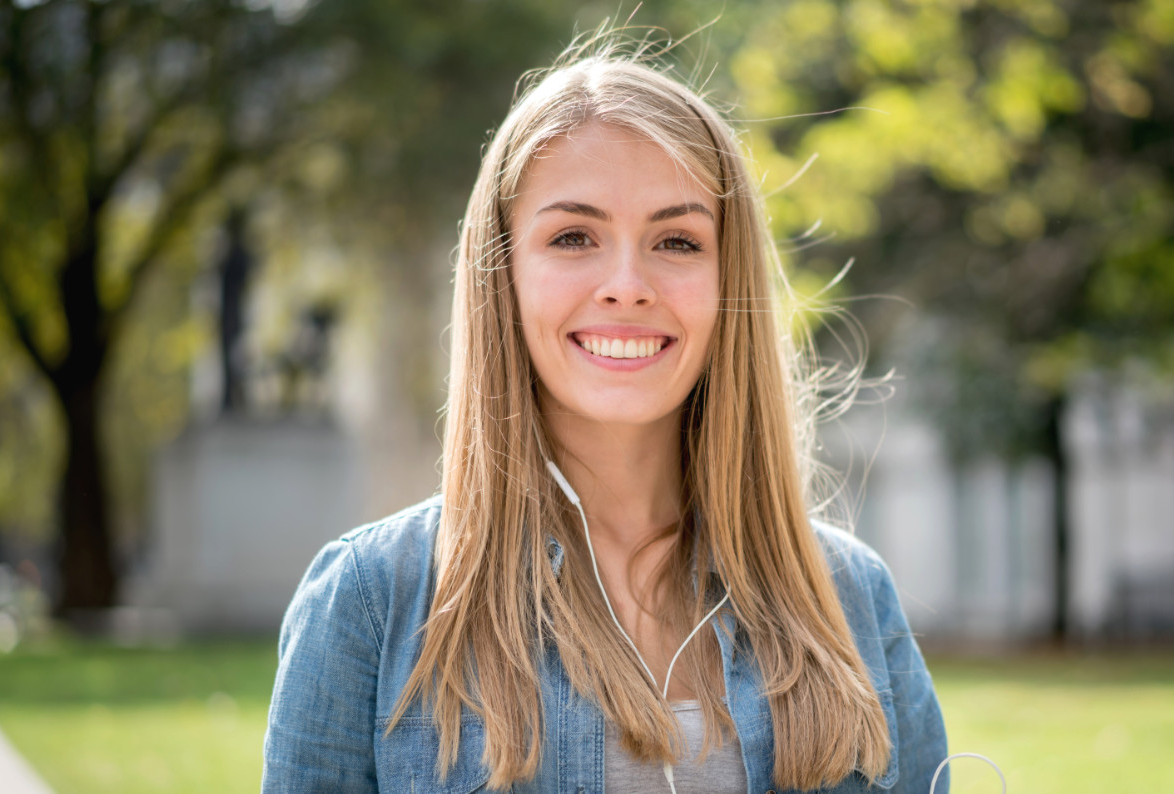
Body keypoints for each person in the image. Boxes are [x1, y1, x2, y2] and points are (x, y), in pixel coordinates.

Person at [262, 33, 950, 794]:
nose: (627, 284)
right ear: (503, 276)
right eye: (573, 236)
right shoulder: (368, 602)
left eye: (677, 240)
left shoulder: (850, 594)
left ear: (729, 282)